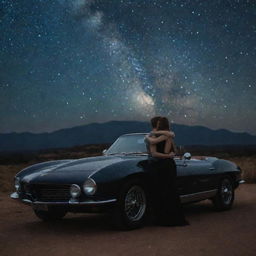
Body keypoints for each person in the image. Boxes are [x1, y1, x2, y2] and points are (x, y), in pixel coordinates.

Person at [145, 117, 189, 226]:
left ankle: (160, 218)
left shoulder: (151, 136)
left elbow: (154, 152)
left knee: (160, 192)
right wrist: (167, 155)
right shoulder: (168, 135)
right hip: (168, 164)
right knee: (171, 191)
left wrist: (148, 136)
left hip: (156, 165)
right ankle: (174, 218)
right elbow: (168, 150)